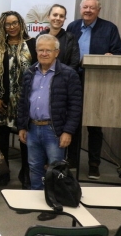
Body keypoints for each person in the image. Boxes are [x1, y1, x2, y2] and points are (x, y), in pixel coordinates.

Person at [17, 34, 82, 221]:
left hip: (54, 130)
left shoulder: (69, 74)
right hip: (32, 128)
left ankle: (54, 204)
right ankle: (35, 201)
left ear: (57, 52)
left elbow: (75, 106)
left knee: (55, 169)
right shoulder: (29, 72)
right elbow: (23, 102)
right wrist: (22, 126)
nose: (44, 53)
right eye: (40, 50)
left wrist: (68, 131)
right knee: (34, 167)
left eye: (48, 50)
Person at [67, 0, 121, 179]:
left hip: (97, 82)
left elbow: (119, 53)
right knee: (73, 122)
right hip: (74, 80)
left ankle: (94, 164)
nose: (88, 10)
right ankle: (72, 161)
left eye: (92, 8)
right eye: (85, 7)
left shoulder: (109, 28)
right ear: (80, 9)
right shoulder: (72, 27)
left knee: (94, 125)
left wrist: (112, 56)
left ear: (98, 10)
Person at [0, 11, 37, 188]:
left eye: (15, 23)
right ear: (3, 26)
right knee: (1, 138)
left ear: (21, 23)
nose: (12, 27)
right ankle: (4, 172)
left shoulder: (32, 44)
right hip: (2, 100)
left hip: (26, 100)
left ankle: (26, 172)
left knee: (25, 137)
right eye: (8, 24)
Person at [38, 4, 80, 70]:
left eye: (61, 16)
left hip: (65, 75)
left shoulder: (71, 39)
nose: (58, 18)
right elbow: (35, 61)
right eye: (55, 15)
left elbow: (74, 63)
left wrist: (63, 75)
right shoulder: (39, 38)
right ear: (48, 17)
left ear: (64, 19)